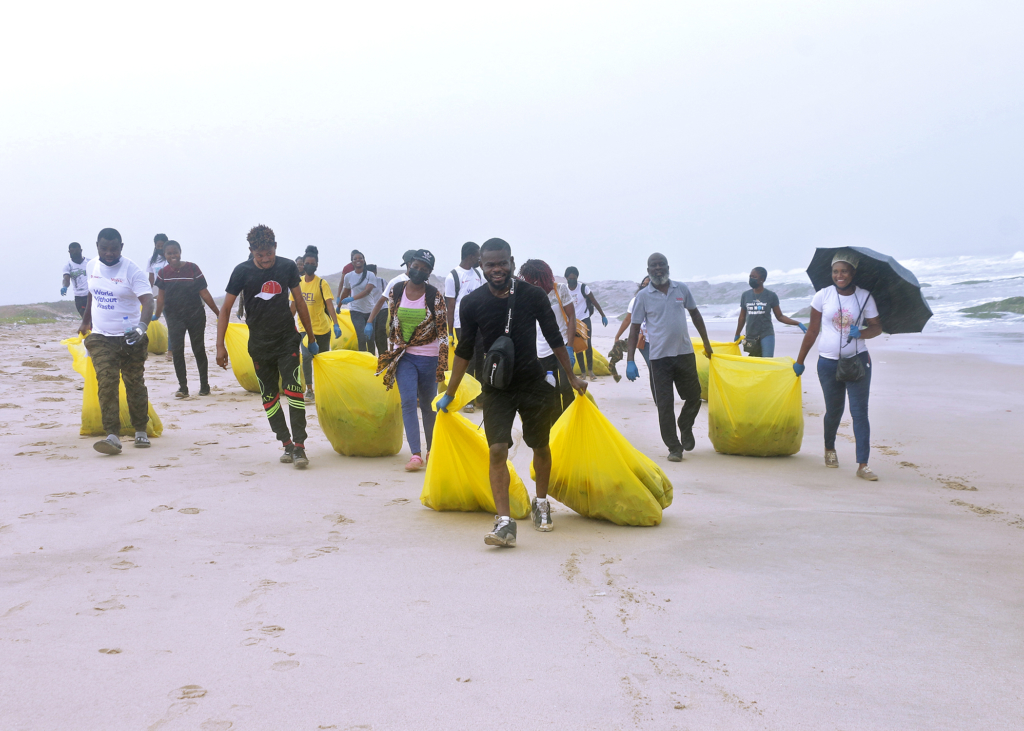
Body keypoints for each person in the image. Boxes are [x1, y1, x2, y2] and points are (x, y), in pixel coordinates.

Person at [437, 238, 587, 548]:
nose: (497, 269)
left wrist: (571, 375)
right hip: (496, 387)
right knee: (496, 450)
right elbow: (465, 350)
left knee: (540, 445)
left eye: (502, 262)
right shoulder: (472, 302)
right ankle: (504, 522)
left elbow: (553, 335)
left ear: (512, 262)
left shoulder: (532, 296)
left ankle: (541, 502)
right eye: (490, 264)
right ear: (481, 265)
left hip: (533, 382)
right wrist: (450, 392)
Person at [217, 225, 317, 469]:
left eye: (268, 253)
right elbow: (226, 309)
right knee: (269, 397)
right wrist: (220, 346)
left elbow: (300, 302)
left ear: (275, 247)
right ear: (251, 251)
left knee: (294, 391)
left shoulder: (287, 267)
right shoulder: (241, 271)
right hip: (260, 345)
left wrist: (311, 339)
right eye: (259, 254)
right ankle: (286, 443)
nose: (264, 259)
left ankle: (301, 447)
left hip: (286, 340)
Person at [793, 249, 882, 481]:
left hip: (858, 362)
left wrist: (862, 332)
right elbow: (813, 330)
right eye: (835, 271)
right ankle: (829, 449)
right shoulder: (822, 296)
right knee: (834, 411)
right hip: (828, 363)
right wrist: (799, 361)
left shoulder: (864, 297)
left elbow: (877, 327)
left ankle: (863, 464)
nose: (839, 275)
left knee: (859, 412)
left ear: (852, 273)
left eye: (844, 271)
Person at [626, 253, 713, 462]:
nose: (658, 268)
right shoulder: (643, 297)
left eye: (661, 265)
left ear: (668, 267)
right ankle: (674, 447)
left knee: (694, 396)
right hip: (659, 359)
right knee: (664, 405)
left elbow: (696, 314)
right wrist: (630, 360)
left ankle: (685, 425)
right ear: (648, 271)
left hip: (684, 353)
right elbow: (634, 327)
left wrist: (707, 343)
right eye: (653, 266)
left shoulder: (681, 289)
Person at [77, 228, 154, 455]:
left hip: (130, 337)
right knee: (107, 383)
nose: (109, 253)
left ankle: (140, 428)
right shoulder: (92, 266)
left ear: (122, 247)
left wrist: (142, 327)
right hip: (101, 337)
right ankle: (112, 435)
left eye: (114, 248)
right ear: (97, 246)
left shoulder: (132, 270)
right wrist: (86, 320)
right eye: (104, 248)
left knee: (134, 383)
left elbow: (148, 301)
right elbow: (92, 291)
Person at [375, 250, 448, 471]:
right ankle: (415, 454)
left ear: (429, 272)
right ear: (409, 266)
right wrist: (392, 350)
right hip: (404, 357)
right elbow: (393, 322)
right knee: (408, 402)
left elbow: (443, 331)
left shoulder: (434, 295)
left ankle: (431, 450)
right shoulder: (397, 290)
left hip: (429, 357)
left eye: (425, 268)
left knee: (428, 405)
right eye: (416, 265)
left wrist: (442, 365)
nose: (419, 271)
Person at [153, 240, 220, 398]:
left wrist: (218, 312)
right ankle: (183, 388)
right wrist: (156, 314)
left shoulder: (192, 268)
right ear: (165, 255)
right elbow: (160, 298)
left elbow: (204, 292)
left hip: (195, 315)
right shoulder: (163, 273)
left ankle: (204, 385)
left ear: (180, 252)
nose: (173, 255)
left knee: (199, 349)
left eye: (175, 252)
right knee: (177, 351)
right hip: (174, 317)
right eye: (169, 253)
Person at [518, 259, 577, 418]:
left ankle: (571, 422)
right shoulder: (529, 294)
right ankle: (557, 426)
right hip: (542, 350)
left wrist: (570, 347)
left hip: (562, 345)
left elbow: (571, 316)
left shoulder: (560, 289)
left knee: (566, 386)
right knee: (551, 390)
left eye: (535, 279)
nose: (532, 282)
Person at [288, 245, 342, 402]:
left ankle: (325, 387)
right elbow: (292, 307)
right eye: (307, 263)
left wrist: (336, 324)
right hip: (305, 328)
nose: (309, 266)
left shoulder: (321, 283)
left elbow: (330, 305)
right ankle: (309, 389)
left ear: (316, 265)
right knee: (305, 356)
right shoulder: (297, 284)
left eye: (313, 263)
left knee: (322, 359)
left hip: (322, 329)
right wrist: (287, 325)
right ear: (302, 264)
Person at [444, 242, 485, 411]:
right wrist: (450, 332)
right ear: (470, 256)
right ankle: (468, 398)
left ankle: (481, 398)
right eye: (478, 255)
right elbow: (451, 306)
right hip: (463, 325)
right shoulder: (452, 276)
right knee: (470, 360)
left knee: (481, 360)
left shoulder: (478, 274)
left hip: (480, 323)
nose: (479, 259)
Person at [733, 267, 807, 356]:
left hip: (766, 334)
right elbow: (742, 317)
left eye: (754, 277)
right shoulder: (746, 295)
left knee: (767, 362)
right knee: (755, 364)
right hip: (751, 335)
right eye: (750, 276)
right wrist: (737, 334)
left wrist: (798, 323)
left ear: (762, 279)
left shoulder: (771, 295)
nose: (751, 279)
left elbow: (780, 316)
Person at [611, 276, 654, 396]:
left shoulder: (660, 299)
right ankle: (658, 396)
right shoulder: (635, 300)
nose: (645, 287)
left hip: (661, 340)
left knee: (662, 370)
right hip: (645, 341)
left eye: (648, 284)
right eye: (643, 284)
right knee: (653, 368)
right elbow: (627, 319)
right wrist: (617, 336)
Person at [564, 267, 609, 381]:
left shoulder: (583, 288)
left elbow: (594, 301)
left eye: (574, 278)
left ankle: (591, 372)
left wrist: (603, 315)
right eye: (570, 279)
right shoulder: (564, 290)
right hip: (572, 321)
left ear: (577, 278)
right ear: (566, 279)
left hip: (584, 319)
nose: (572, 281)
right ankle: (583, 373)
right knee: (578, 346)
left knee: (587, 344)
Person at [365, 249, 416, 345]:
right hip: (401, 328)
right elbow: (381, 301)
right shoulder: (396, 281)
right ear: (410, 264)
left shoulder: (424, 281)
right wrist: (370, 321)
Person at [337, 250, 377, 352]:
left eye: (360, 258)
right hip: (356, 310)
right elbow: (345, 291)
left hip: (370, 311)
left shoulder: (370, 275)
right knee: (361, 337)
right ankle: (362, 361)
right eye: (355, 259)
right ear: (352, 262)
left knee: (370, 339)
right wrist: (339, 306)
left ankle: (372, 360)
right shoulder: (348, 276)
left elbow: (367, 291)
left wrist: (352, 298)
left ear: (364, 261)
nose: (358, 260)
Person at [61, 242, 91, 317]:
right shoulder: (68, 265)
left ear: (81, 251)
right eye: (72, 253)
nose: (75, 256)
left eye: (77, 253)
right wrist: (65, 287)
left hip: (91, 295)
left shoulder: (90, 263)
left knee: (94, 318)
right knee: (85, 318)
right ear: (69, 252)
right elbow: (66, 279)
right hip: (79, 297)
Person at [366, 264, 388, 355]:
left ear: (375, 272)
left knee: (380, 332)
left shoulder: (382, 281)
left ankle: (383, 356)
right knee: (370, 335)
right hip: (369, 311)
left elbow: (388, 295)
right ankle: (371, 356)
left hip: (382, 309)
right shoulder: (363, 283)